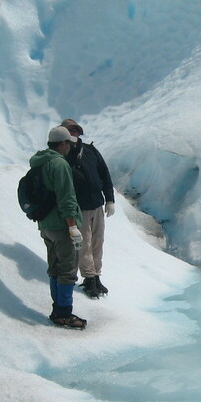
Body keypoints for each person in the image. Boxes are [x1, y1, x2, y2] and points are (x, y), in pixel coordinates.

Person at [30, 126, 86, 329]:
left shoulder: (39, 162)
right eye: (69, 144)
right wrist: (72, 226)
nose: (71, 147)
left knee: (54, 268)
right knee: (68, 270)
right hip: (62, 226)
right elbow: (66, 198)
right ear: (62, 144)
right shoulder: (59, 164)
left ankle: (57, 309)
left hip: (45, 225)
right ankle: (64, 313)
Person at [60, 119, 115, 299]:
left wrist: (110, 199)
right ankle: (89, 278)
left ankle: (96, 275)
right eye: (69, 130)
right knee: (84, 244)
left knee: (98, 241)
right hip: (79, 207)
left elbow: (104, 174)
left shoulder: (90, 151)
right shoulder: (62, 153)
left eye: (75, 130)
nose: (73, 133)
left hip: (97, 204)